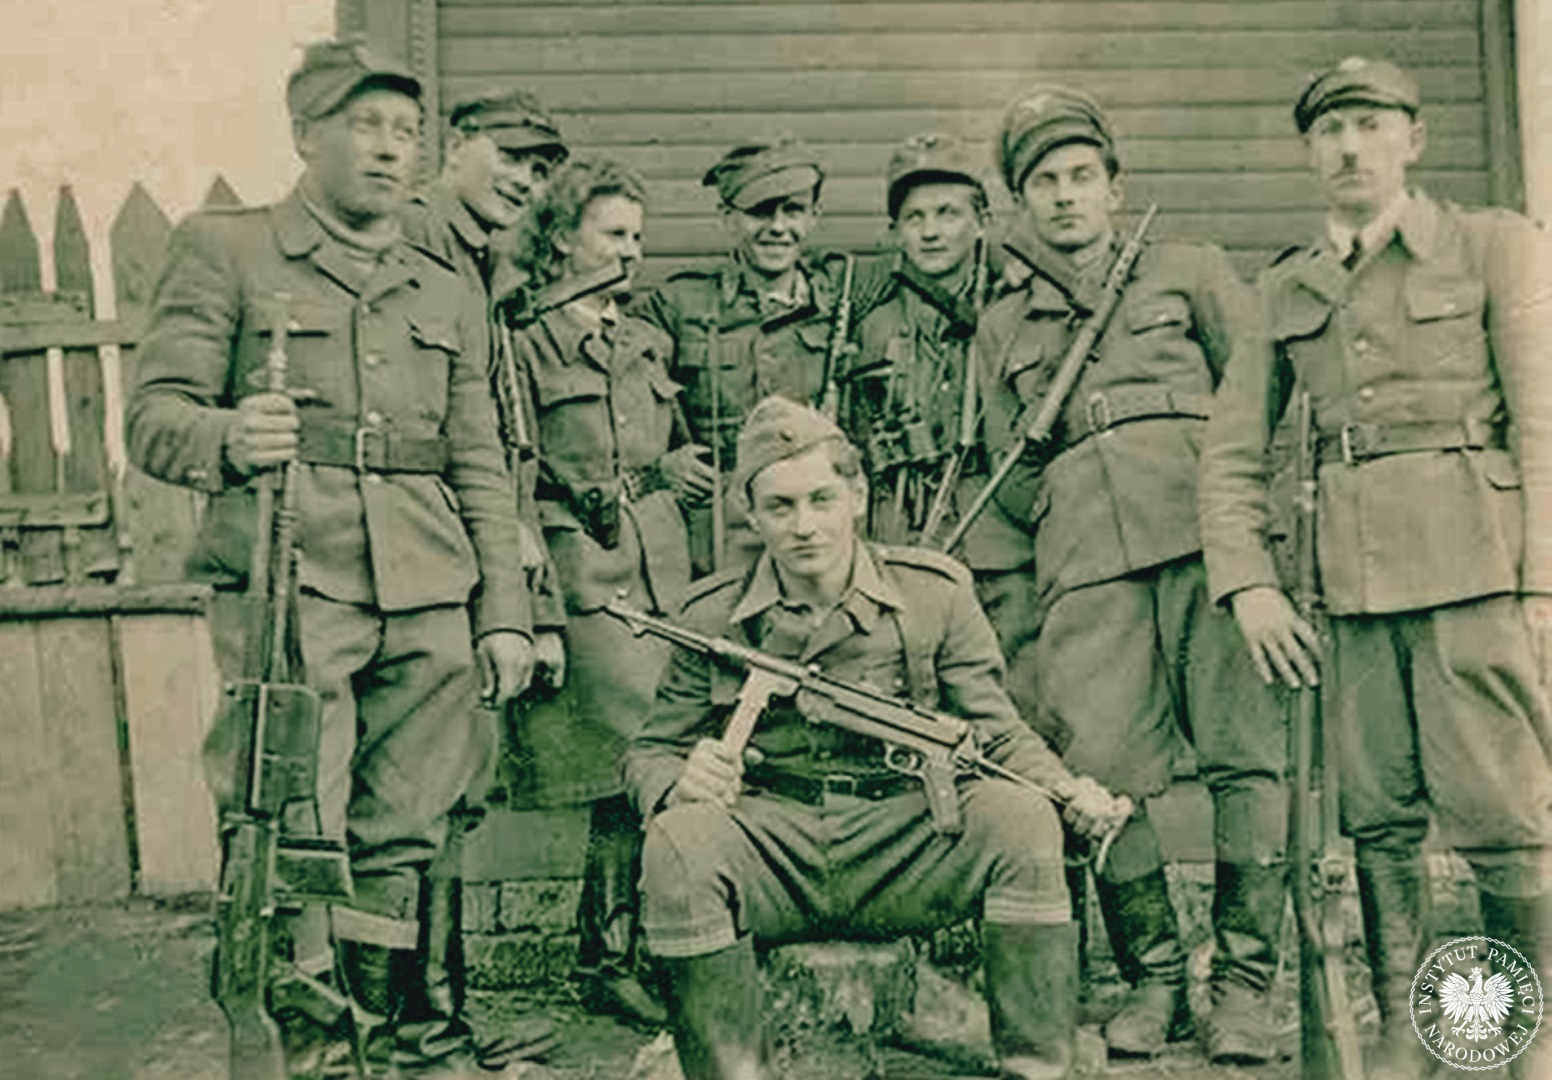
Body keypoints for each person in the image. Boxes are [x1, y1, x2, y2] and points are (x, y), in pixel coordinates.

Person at [126, 39, 537, 1079]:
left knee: (406, 833)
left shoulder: (445, 281)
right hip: (294, 587)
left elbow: (479, 455)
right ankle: (309, 1055)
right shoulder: (228, 249)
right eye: (365, 126)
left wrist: (505, 611)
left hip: (430, 590)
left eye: (407, 131)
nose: (391, 149)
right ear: (306, 135)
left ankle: (389, 1047)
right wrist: (228, 435)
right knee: (293, 826)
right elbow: (153, 418)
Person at [1199, 56, 1552, 1079]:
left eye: (1369, 124)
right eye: (1329, 131)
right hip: (1346, 596)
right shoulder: (1287, 287)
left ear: (1413, 140)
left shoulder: (1490, 246)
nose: (1349, 147)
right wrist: (1250, 584)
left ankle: (1515, 1035)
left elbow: (1543, 421)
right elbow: (1230, 454)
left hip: (1476, 573)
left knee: (1504, 816)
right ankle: (1412, 1031)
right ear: (1308, 153)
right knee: (1379, 822)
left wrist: (1541, 583)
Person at [624, 394, 1132, 1080]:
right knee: (679, 843)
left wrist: (1066, 789)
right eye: (780, 507)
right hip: (774, 848)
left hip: (906, 843)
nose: (804, 526)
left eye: (821, 500)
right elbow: (649, 750)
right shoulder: (711, 615)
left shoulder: (934, 595)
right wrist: (679, 781)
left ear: (857, 497)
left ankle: (1037, 1068)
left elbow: (996, 733)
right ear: (749, 513)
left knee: (1021, 819)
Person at [971, 87, 1288, 1062]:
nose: (1066, 196)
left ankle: (1243, 984)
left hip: (1204, 534)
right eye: (1044, 183)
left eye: (1081, 177)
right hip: (1086, 564)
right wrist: (1070, 522)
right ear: (1022, 203)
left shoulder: (1187, 269)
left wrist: (1256, 540)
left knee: (1246, 758)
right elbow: (1008, 469)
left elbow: (1262, 398)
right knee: (1104, 774)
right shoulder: (1002, 322)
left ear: (1115, 187)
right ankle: (1154, 977)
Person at [502, 158, 705, 1028]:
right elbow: (516, 482)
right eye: (613, 234)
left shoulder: (642, 340)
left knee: (661, 754)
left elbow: (660, 446)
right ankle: (609, 957)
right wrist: (537, 612)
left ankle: (647, 949)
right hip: (583, 574)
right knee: (627, 763)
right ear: (560, 241)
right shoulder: (522, 344)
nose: (632, 251)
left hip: (660, 574)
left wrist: (673, 469)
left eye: (638, 236)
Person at [399, 86, 573, 1069]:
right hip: (425, 555)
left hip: (477, 551)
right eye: (510, 155)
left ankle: (437, 1023)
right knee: (412, 799)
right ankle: (417, 1033)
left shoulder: (476, 262)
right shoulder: (411, 245)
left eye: (540, 169)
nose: (525, 180)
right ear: (456, 144)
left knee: (453, 792)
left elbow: (499, 436)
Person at [635, 138, 851, 575]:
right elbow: (619, 394)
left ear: (814, 216)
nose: (777, 227)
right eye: (759, 212)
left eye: (792, 210)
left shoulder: (844, 301)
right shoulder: (678, 304)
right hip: (714, 534)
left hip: (812, 526)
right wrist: (662, 466)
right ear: (727, 218)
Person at [841, 132, 998, 546]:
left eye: (948, 214)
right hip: (897, 532)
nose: (930, 232)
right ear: (895, 231)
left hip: (994, 532)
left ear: (982, 223)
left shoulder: (1010, 313)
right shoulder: (872, 325)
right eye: (914, 218)